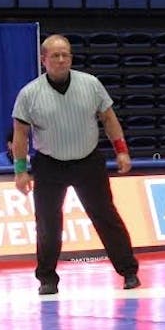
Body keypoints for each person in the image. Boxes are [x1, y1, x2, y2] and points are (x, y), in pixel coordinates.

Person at [11, 34, 140, 296]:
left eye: (65, 55)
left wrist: (122, 151)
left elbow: (109, 118)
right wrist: (20, 171)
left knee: (106, 217)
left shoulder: (91, 84)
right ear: (43, 59)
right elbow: (20, 134)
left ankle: (129, 272)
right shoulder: (29, 93)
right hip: (49, 165)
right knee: (48, 223)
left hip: (88, 162)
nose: (61, 60)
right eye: (55, 55)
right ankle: (47, 278)